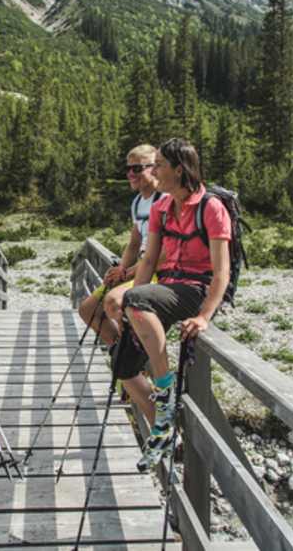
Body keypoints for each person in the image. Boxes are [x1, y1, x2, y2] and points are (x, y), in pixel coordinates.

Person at [124, 138, 231, 470]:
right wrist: (132, 307)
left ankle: (165, 390)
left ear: (178, 169)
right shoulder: (161, 207)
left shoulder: (211, 208)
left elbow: (222, 271)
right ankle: (162, 430)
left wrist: (203, 316)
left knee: (137, 299)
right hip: (167, 287)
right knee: (123, 365)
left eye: (159, 166)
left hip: (196, 289)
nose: (154, 172)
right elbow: (150, 258)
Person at [76, 143, 163, 426]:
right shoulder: (138, 202)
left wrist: (132, 272)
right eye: (129, 169)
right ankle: (122, 351)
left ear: (156, 167)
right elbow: (135, 243)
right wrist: (121, 269)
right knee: (88, 308)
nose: (131, 174)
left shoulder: (164, 200)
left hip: (159, 271)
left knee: (114, 302)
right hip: (141, 266)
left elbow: (163, 254)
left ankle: (134, 364)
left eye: (138, 168)